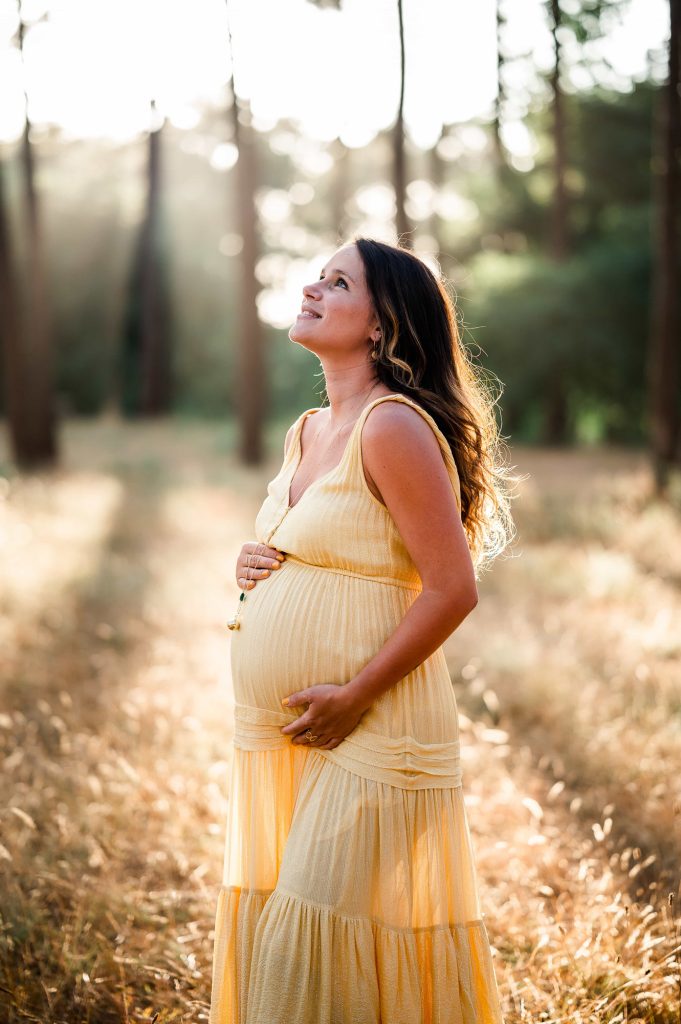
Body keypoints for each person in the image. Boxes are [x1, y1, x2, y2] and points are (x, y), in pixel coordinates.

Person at [209, 236, 516, 1023]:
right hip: (289, 730)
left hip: (371, 722)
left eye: (336, 282)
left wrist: (352, 696)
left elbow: (451, 590)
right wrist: (259, 559)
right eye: (315, 275)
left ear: (380, 326)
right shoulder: (309, 429)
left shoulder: (393, 426)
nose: (311, 288)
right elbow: (330, 543)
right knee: (296, 935)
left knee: (303, 947)